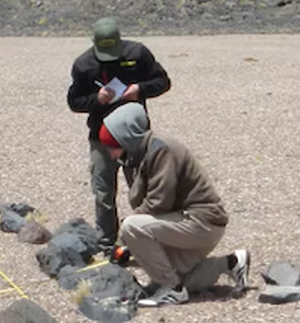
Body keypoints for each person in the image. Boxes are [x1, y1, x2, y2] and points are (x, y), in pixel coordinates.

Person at [99, 102, 249, 307]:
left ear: (127, 138)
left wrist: (126, 241)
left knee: (131, 227)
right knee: (175, 275)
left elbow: (159, 203)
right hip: (190, 223)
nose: (111, 154)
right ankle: (232, 262)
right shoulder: (139, 154)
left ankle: (173, 291)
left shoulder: (161, 150)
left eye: (113, 147)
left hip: (201, 222)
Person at [67, 17, 171, 247]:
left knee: (142, 189)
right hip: (101, 138)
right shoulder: (84, 64)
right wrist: (97, 99)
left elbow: (163, 81)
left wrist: (140, 89)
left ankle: (150, 238)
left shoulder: (138, 54)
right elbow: (74, 101)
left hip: (135, 137)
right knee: (103, 193)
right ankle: (106, 242)